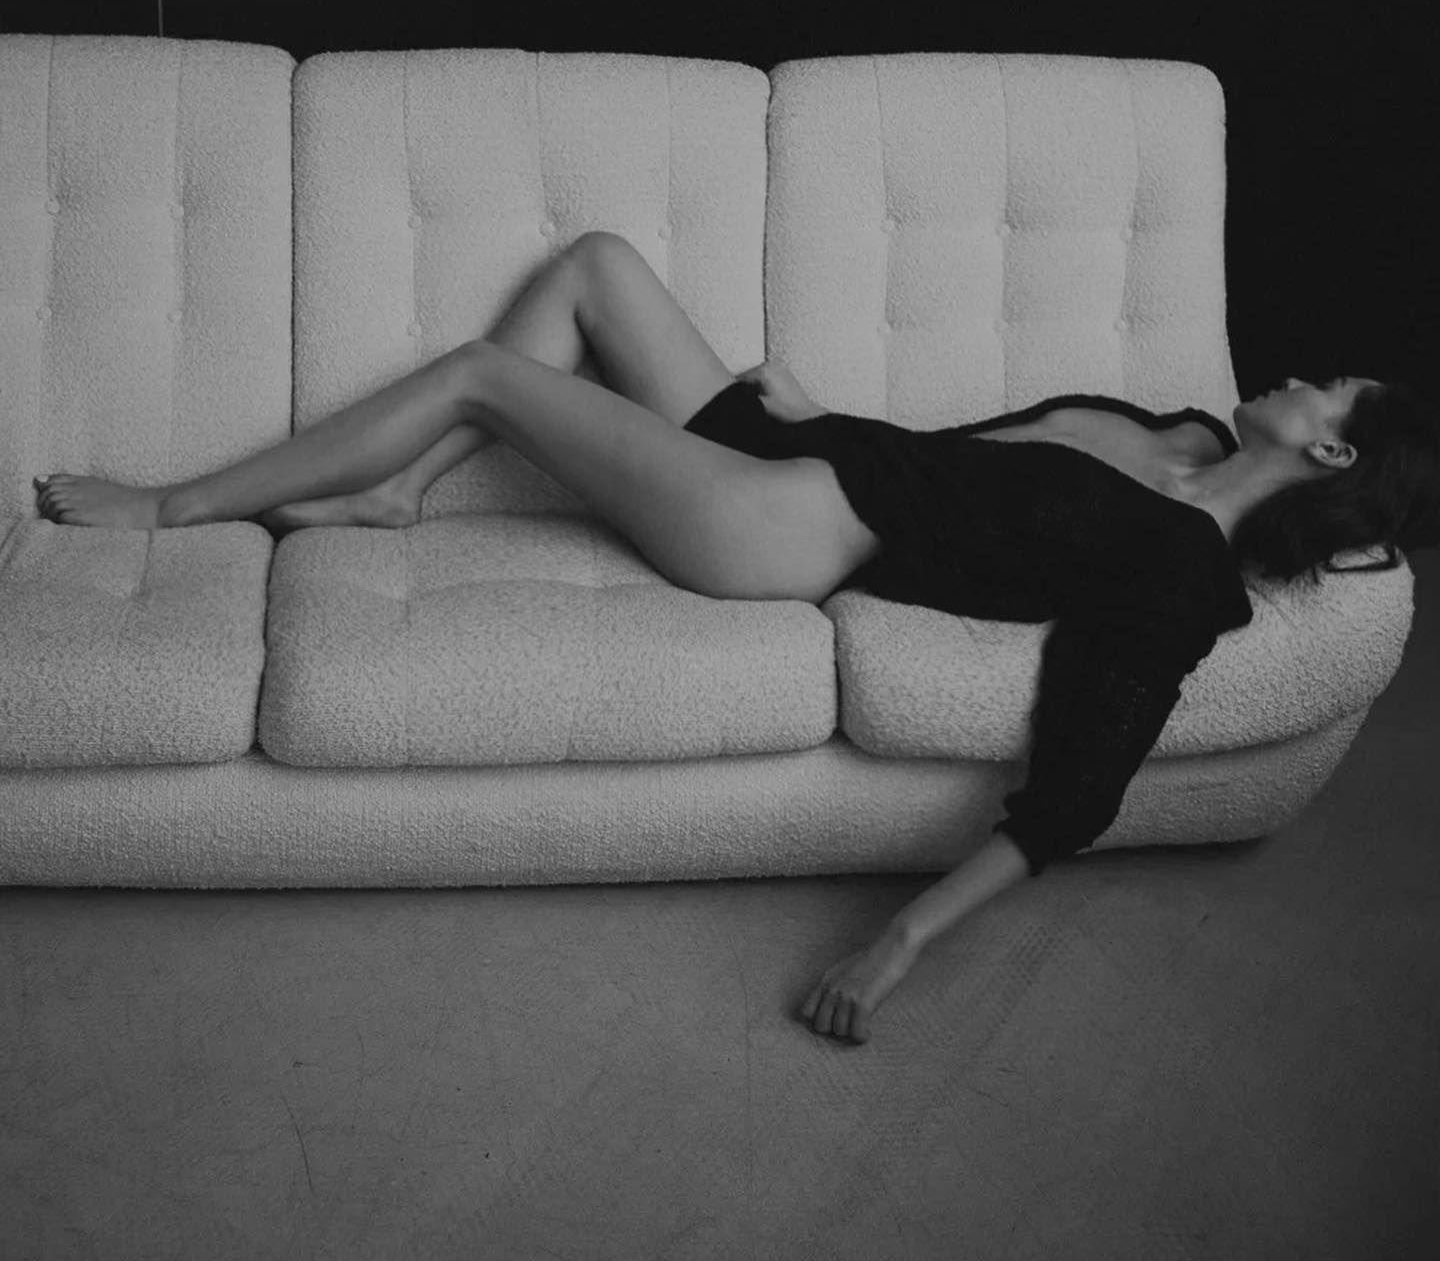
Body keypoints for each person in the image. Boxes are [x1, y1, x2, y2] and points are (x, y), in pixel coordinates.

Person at [31, 231, 1440, 1044]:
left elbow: (1083, 780)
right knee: (593, 266)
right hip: (810, 452)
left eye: (1325, 387)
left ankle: (175, 502)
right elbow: (974, 469)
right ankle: (401, 492)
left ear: (1329, 451)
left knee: (480, 374)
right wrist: (825, 413)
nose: (1295, 373)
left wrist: (899, 944)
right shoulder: (1175, 430)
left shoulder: (1179, 573)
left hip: (776, 527)